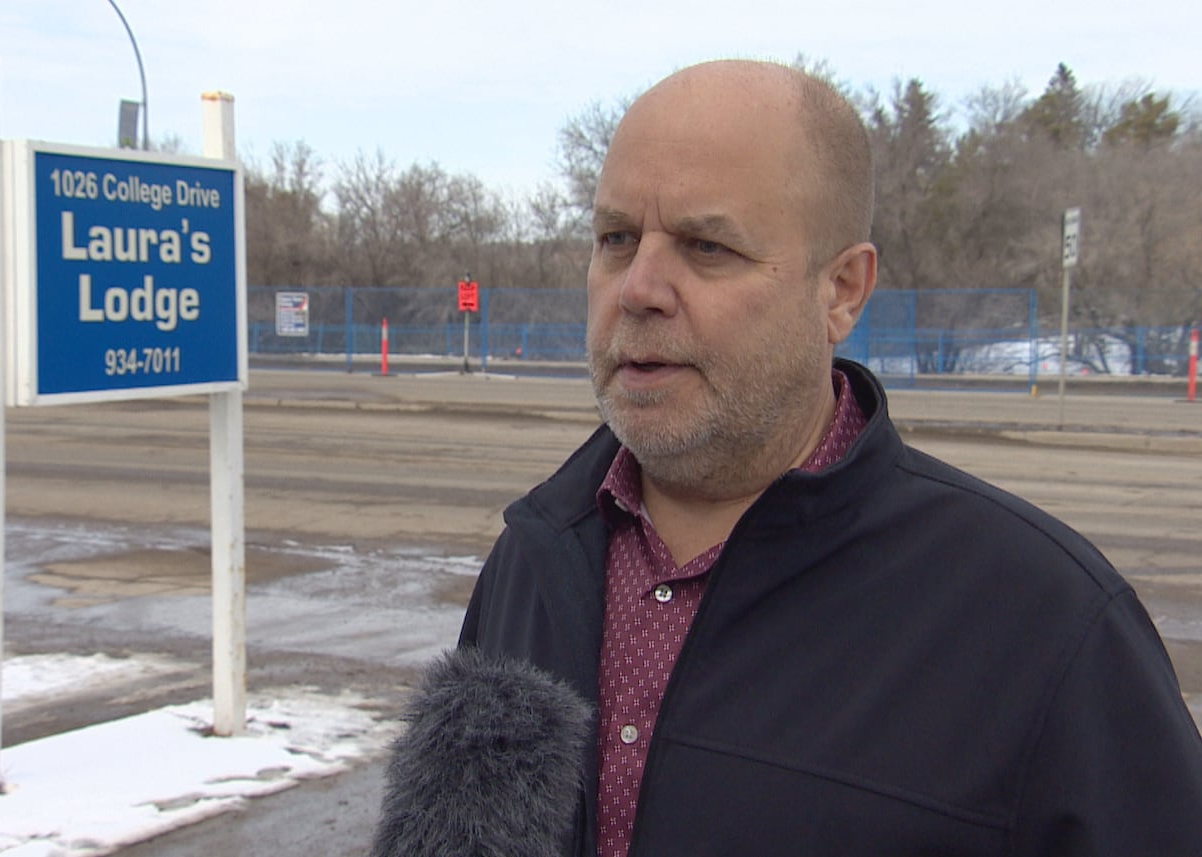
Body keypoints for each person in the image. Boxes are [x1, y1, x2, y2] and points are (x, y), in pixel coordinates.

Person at [458, 60, 1202, 856]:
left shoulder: (1048, 625)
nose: (639, 287)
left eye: (707, 246)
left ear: (842, 289)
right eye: (617, 238)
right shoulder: (533, 560)